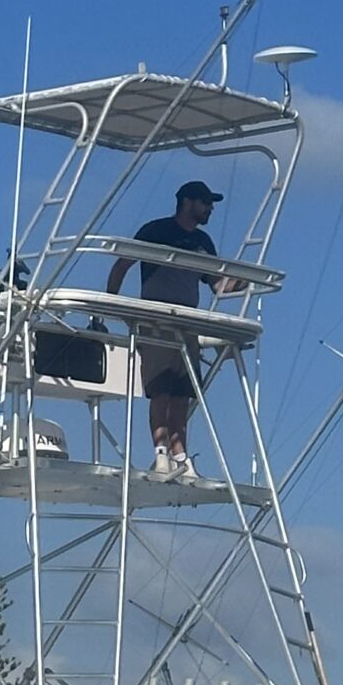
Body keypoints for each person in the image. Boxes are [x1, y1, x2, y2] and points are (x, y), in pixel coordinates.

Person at [105, 178, 232, 477]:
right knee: (160, 390)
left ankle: (181, 457)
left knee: (182, 394)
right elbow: (122, 264)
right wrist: (112, 304)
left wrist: (244, 280)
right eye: (205, 202)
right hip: (156, 319)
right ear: (187, 202)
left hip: (187, 323)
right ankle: (160, 453)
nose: (210, 209)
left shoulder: (203, 242)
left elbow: (219, 285)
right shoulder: (155, 231)